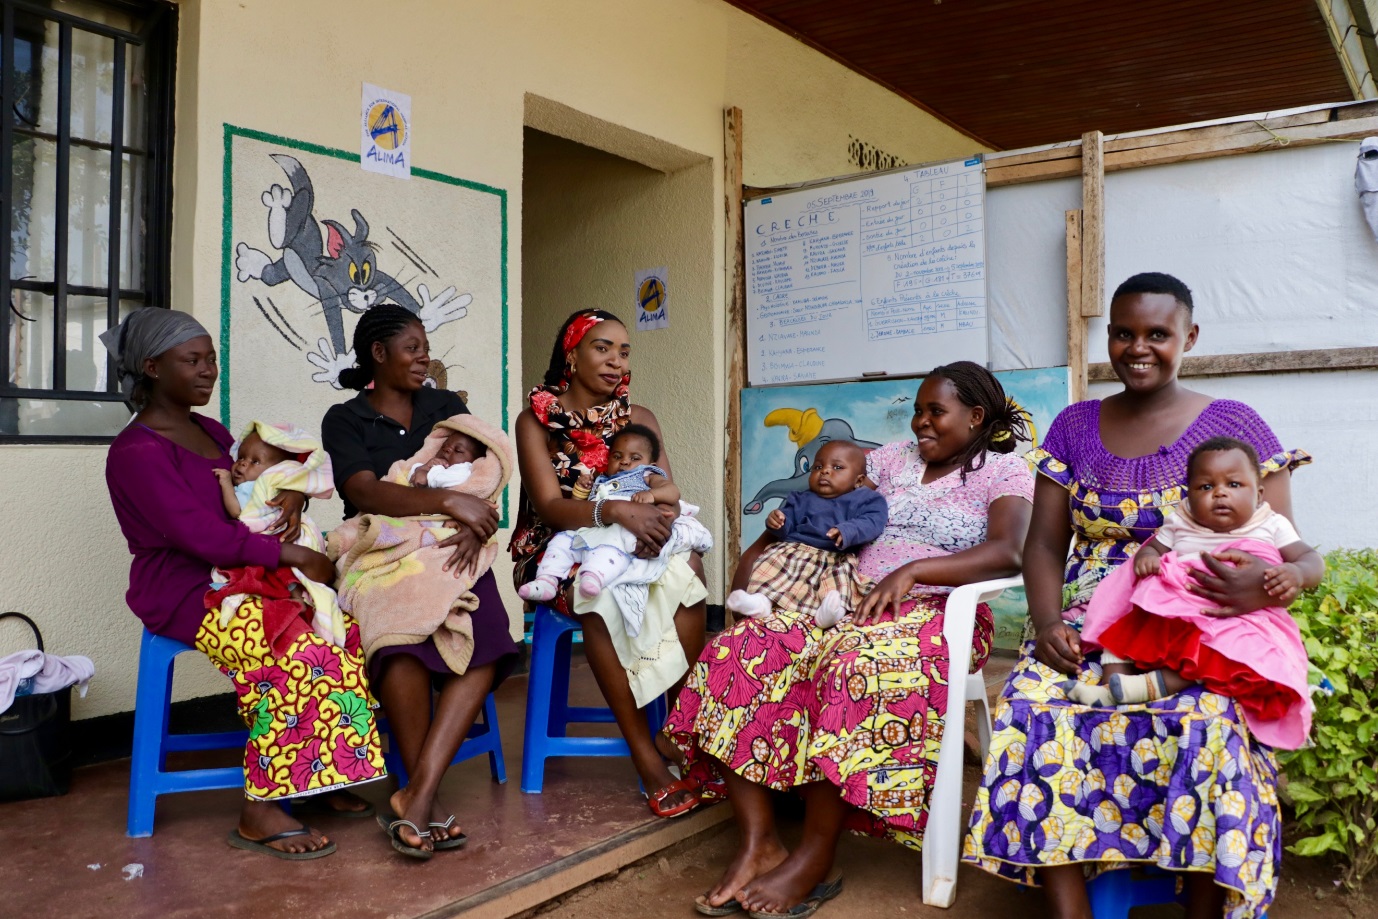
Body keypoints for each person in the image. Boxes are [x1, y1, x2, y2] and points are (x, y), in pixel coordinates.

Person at [964, 273, 1311, 919]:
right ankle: (1070, 907)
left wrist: (1249, 591)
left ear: (1190, 337)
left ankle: (1205, 901)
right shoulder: (1073, 425)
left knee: (1212, 724)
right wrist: (1044, 623)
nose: (1138, 347)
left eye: (1158, 333)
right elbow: (1042, 544)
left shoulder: (1235, 424)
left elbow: (1282, 543)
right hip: (1089, 620)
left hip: (1210, 620)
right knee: (1036, 705)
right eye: (1123, 333)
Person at [668, 360, 1033, 918]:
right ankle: (759, 841)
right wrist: (767, 544)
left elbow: (1010, 551)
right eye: (916, 412)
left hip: (935, 614)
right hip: (838, 597)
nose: (920, 424)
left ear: (976, 416)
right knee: (740, 648)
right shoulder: (889, 462)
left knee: (849, 663)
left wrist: (914, 572)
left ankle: (816, 854)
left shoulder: (1002, 472)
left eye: (935, 412)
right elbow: (822, 488)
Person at [103, 308, 384, 861]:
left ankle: (317, 776)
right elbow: (201, 536)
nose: (208, 370)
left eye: (210, 358)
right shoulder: (136, 452)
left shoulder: (209, 431)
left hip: (245, 574)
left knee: (341, 635)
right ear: (152, 367)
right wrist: (293, 551)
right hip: (186, 589)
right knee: (291, 648)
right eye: (193, 360)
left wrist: (293, 493)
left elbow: (253, 493)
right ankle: (260, 810)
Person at [321, 305, 520, 858]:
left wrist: (477, 519)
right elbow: (365, 491)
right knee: (398, 638)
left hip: (452, 543)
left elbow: (486, 469)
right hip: (382, 550)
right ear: (378, 355)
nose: (423, 356)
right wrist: (444, 498)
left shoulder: (444, 407)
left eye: (425, 346)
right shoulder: (346, 419)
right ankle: (424, 798)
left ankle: (418, 794)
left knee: (484, 632)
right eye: (411, 347)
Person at [510, 309, 708, 819]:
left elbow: (664, 493)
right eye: (603, 348)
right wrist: (614, 509)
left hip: (633, 535)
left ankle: (678, 724)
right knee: (597, 592)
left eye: (623, 351)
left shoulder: (639, 418)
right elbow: (551, 507)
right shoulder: (536, 421)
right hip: (559, 547)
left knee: (688, 572)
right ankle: (646, 755)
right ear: (572, 354)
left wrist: (653, 530)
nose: (615, 361)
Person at [1067, 436, 1322, 750]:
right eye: (1205, 487)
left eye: (1234, 484)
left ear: (1258, 494)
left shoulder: (1270, 524)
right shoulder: (1181, 521)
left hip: (1234, 616)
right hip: (1177, 610)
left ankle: (1138, 688)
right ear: (1189, 496)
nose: (1220, 493)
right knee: (1125, 620)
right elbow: (1154, 549)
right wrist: (1147, 559)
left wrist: (1296, 572)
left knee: (1224, 654)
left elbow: (1311, 560)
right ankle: (1110, 684)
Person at [518, 423, 703, 602]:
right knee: (561, 541)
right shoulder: (603, 480)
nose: (625, 461)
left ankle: (593, 577)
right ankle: (547, 580)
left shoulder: (647, 476)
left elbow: (672, 492)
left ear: (650, 463)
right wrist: (581, 489)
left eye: (635, 458)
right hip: (594, 529)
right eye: (617, 456)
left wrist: (651, 495)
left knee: (609, 550)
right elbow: (579, 505)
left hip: (622, 531)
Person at [724, 438, 888, 628]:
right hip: (795, 552)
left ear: (858, 480)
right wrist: (777, 521)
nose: (825, 471)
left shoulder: (867, 500)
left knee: (840, 581)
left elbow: (872, 521)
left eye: (837, 467)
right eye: (818, 467)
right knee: (774, 570)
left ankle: (832, 613)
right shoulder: (801, 498)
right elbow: (787, 521)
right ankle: (761, 602)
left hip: (836, 557)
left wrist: (848, 530)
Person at [213, 420, 346, 650]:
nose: (242, 464)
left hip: (278, 539)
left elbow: (237, 513)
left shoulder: (255, 488)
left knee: (281, 570)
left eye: (255, 461)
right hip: (275, 544)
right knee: (284, 571)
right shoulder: (254, 486)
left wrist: (225, 483)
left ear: (276, 470)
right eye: (241, 457)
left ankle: (297, 598)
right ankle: (297, 598)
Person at [407, 427, 487, 488]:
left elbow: (447, 479)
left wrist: (427, 475)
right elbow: (411, 477)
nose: (447, 449)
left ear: (474, 461)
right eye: (444, 446)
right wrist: (422, 468)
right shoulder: (436, 467)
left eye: (457, 450)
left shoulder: (464, 469)